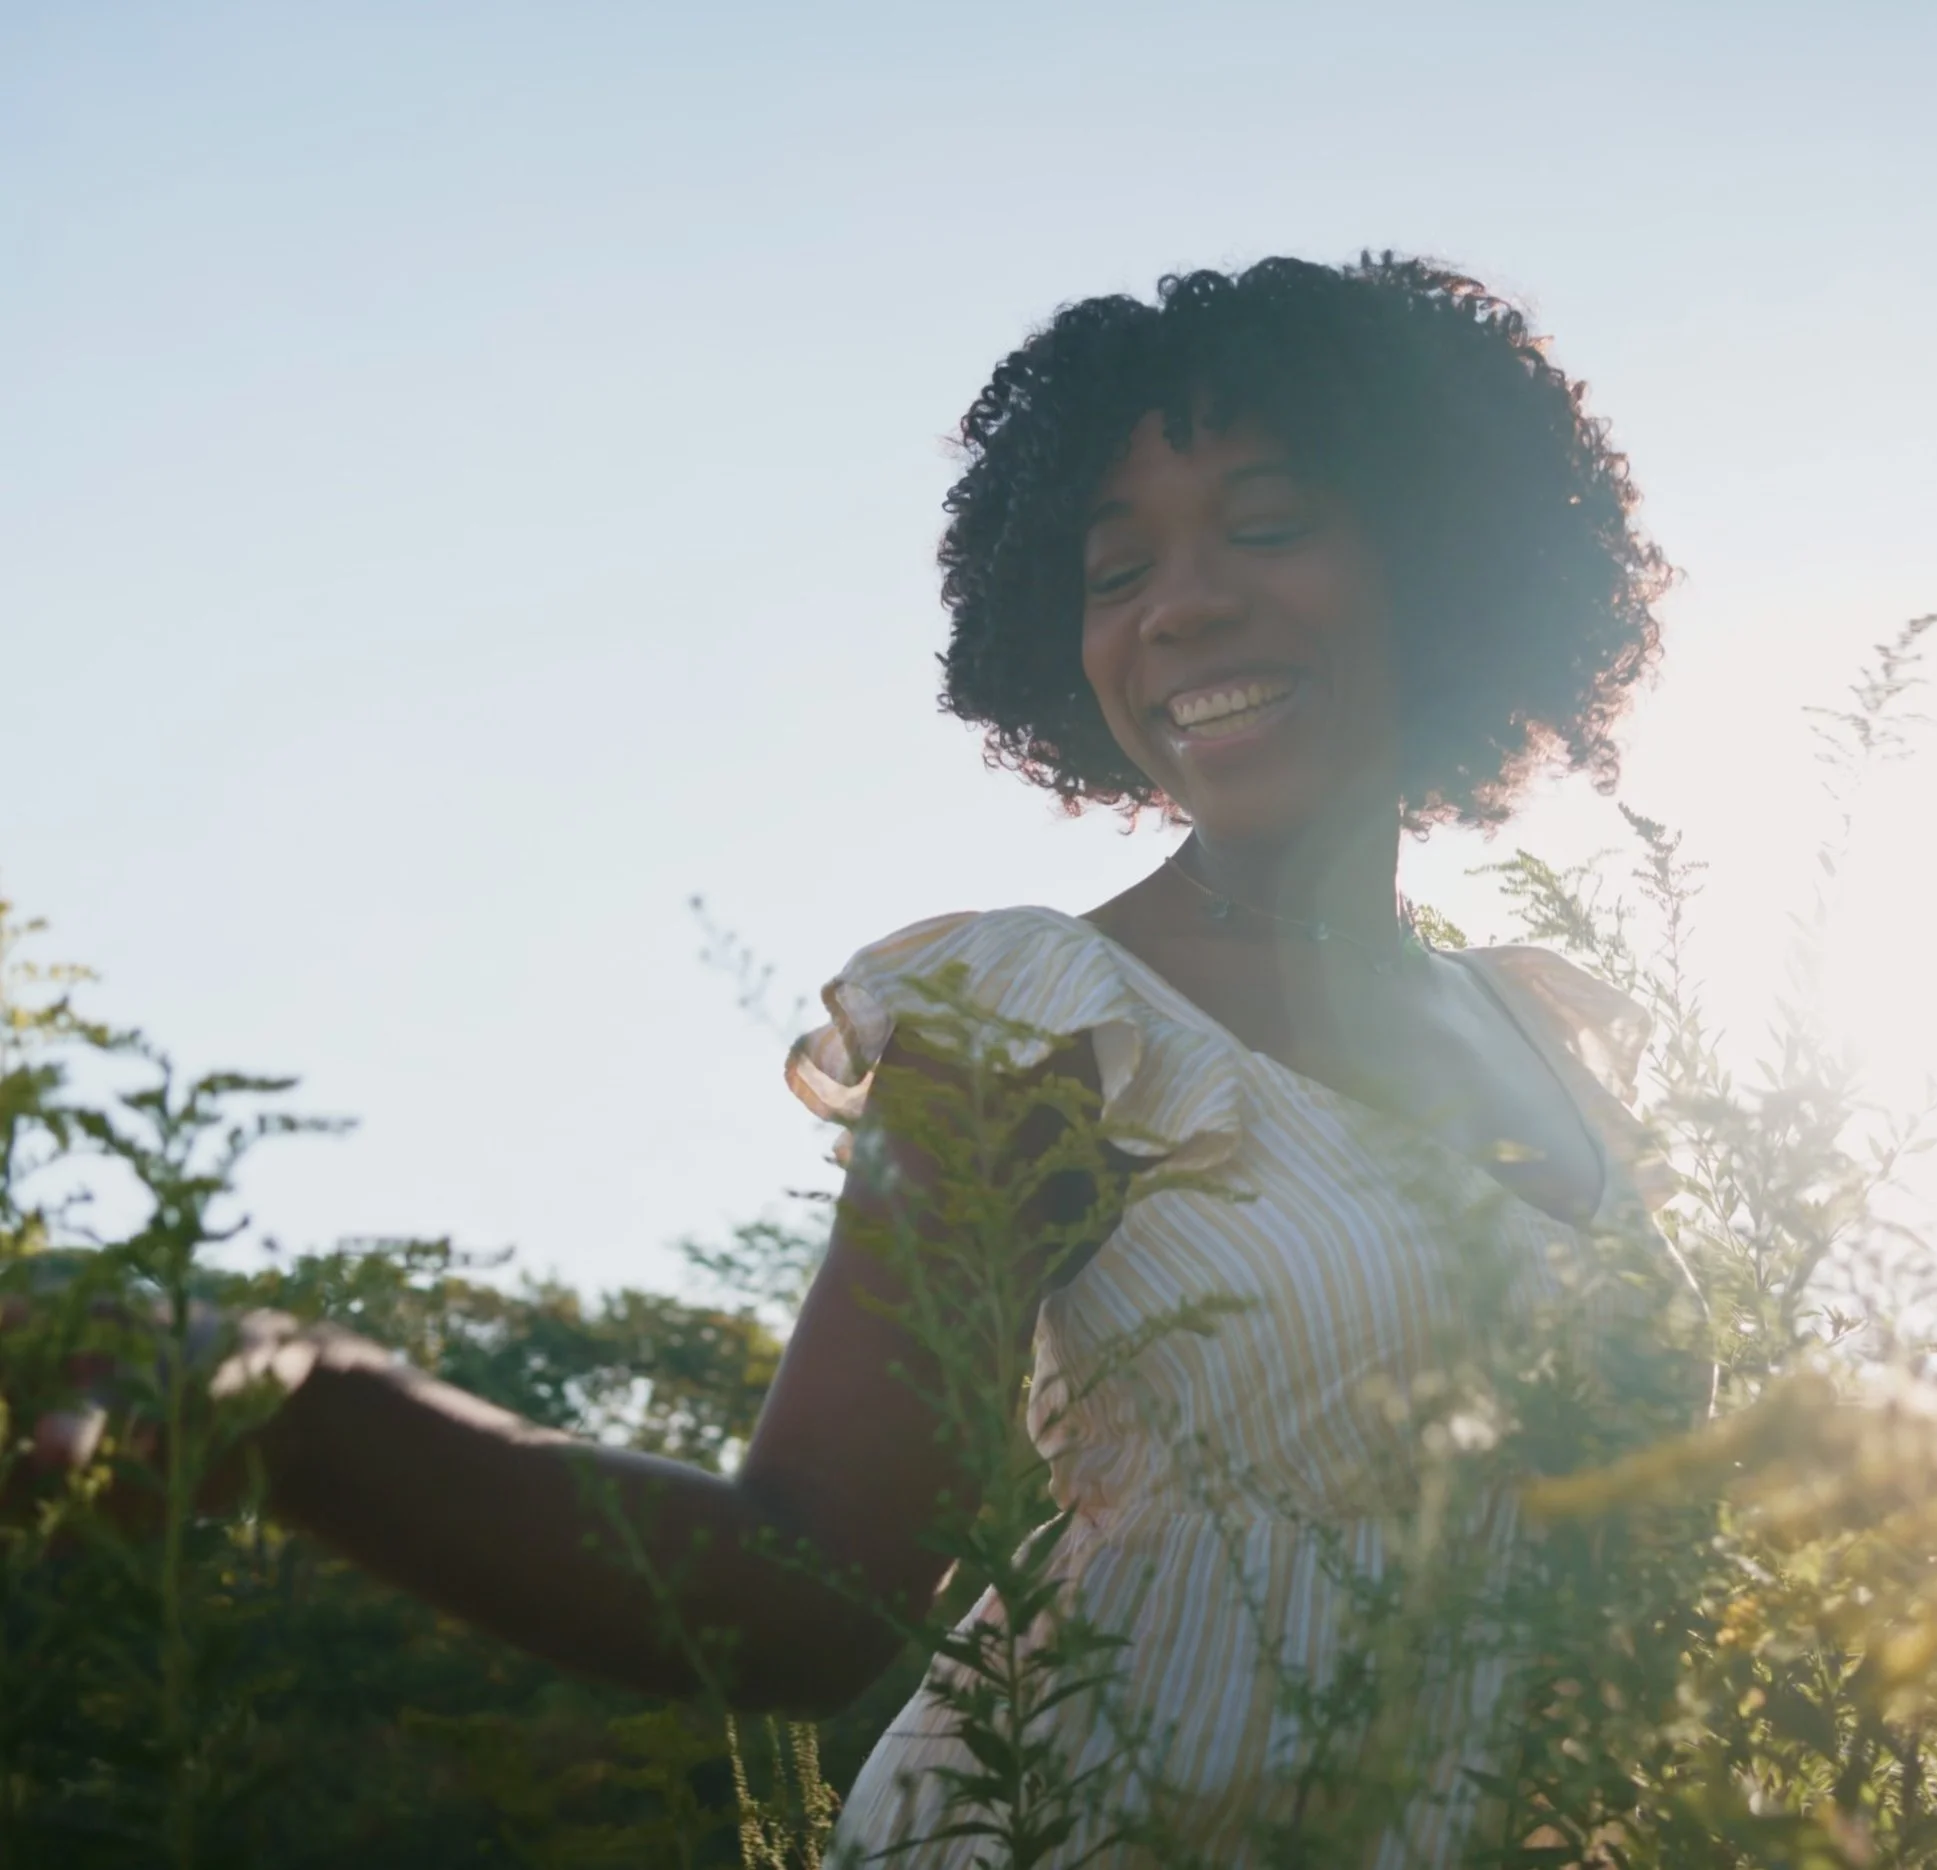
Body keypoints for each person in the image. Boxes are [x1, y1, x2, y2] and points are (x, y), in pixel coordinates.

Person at [10, 255, 1683, 1866]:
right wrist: (295, 1402)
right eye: (1112, 572)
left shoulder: (1554, 1033)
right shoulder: (1042, 1024)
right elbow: (802, 1590)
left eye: (1267, 524)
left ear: (1446, 558)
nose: (1182, 605)